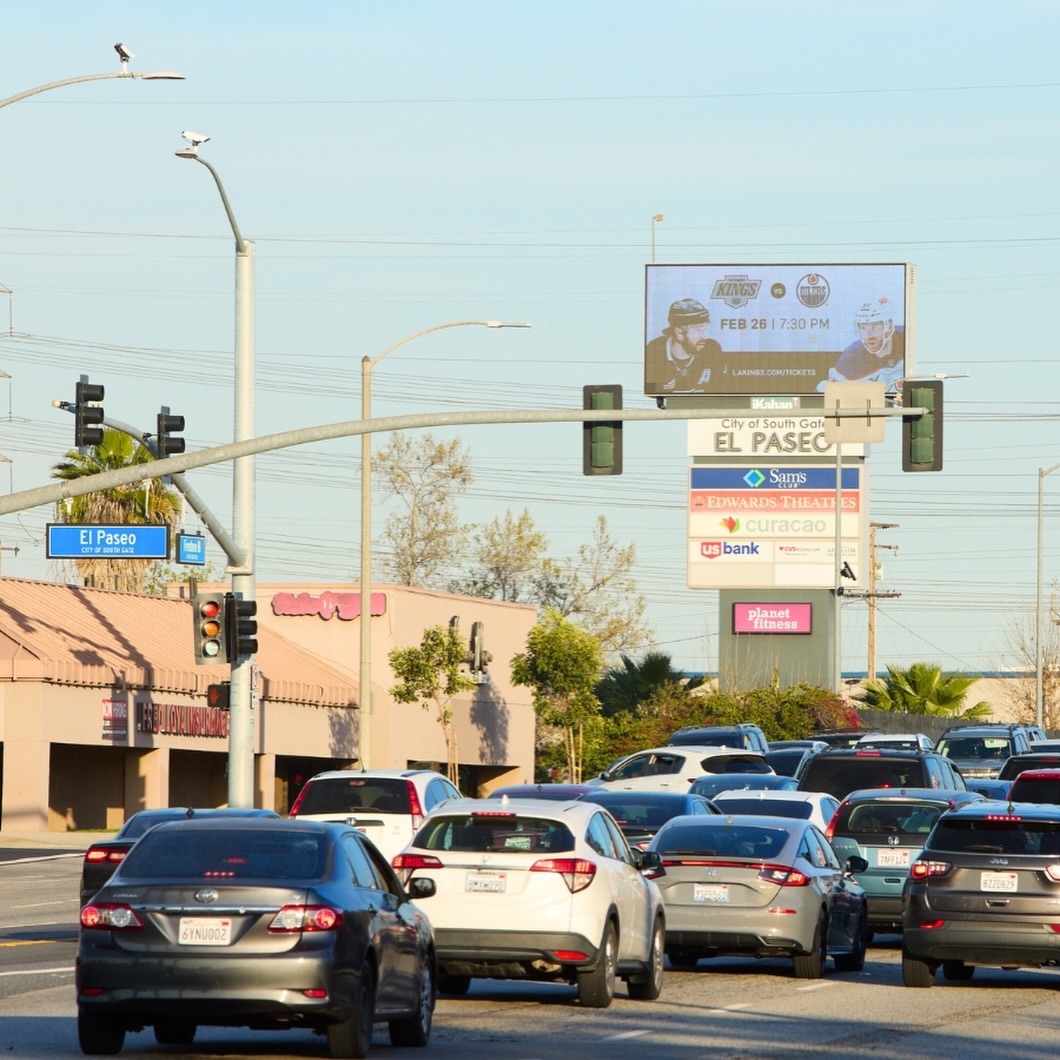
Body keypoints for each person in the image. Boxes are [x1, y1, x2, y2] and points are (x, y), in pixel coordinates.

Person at [817, 296, 905, 392]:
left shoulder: (909, 339)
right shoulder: (850, 359)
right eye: (863, 328)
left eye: (875, 327)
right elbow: (827, 396)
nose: (868, 335)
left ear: (889, 325)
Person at [645, 298, 726, 393]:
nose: (705, 336)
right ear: (679, 332)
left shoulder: (712, 349)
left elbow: (720, 390)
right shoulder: (655, 350)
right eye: (698, 330)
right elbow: (652, 390)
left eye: (705, 329)